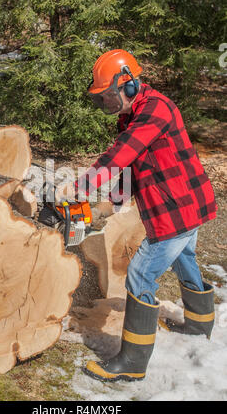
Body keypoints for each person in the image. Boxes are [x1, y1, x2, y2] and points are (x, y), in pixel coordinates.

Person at [56, 49, 217, 383]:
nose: (109, 106)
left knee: (141, 275)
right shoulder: (132, 116)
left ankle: (131, 362)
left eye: (110, 98)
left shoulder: (156, 109)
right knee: (185, 259)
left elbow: (121, 153)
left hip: (174, 211)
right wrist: (109, 205)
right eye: (102, 101)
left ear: (128, 85)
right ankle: (200, 325)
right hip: (186, 205)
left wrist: (79, 188)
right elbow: (131, 167)